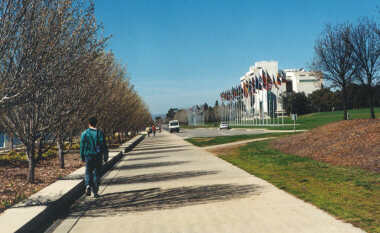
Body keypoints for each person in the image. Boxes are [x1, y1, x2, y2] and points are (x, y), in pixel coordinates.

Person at [80, 117, 108, 198]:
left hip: (88, 155)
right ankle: (95, 192)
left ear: (89, 123)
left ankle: (88, 185)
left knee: (88, 171)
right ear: (96, 123)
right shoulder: (100, 133)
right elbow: (104, 145)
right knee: (96, 173)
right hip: (98, 156)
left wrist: (82, 156)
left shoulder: (84, 133)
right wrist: (105, 155)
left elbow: (82, 146)